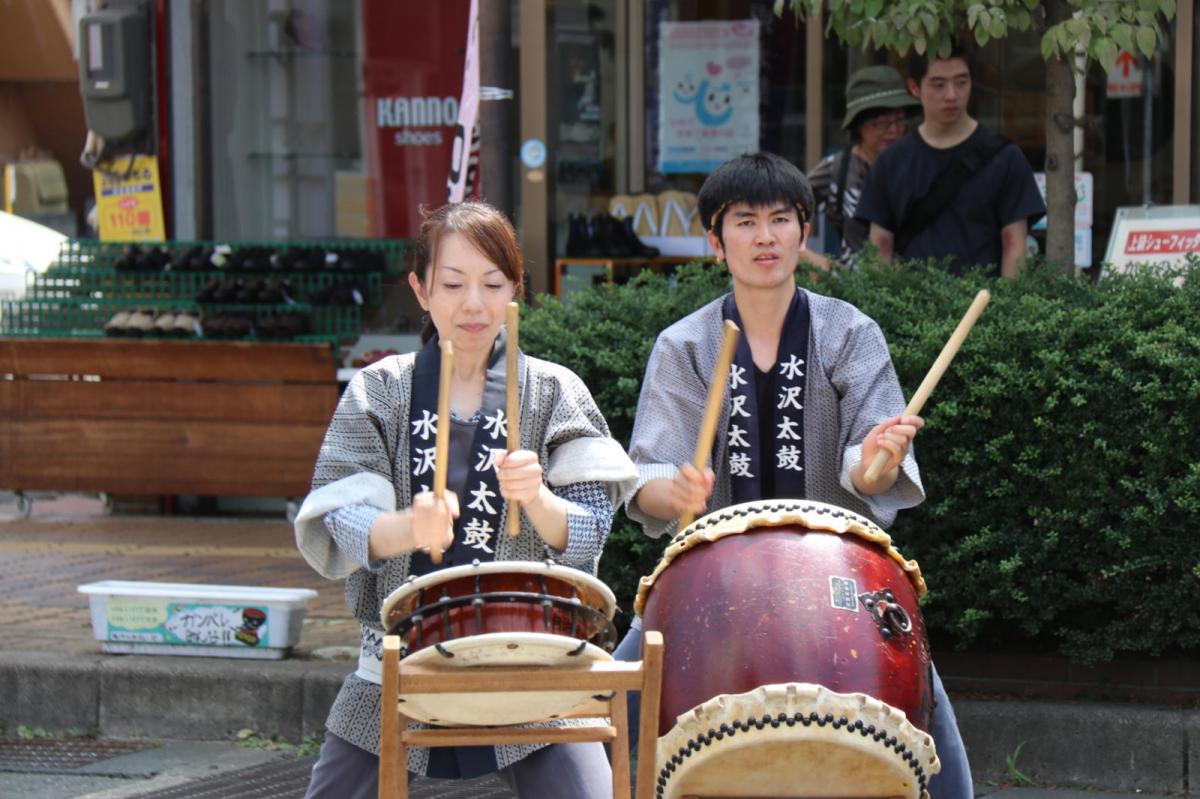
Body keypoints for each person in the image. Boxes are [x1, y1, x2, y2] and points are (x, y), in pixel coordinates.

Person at [613, 152, 974, 798]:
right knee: (604, 711)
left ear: (805, 234)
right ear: (714, 240)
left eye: (781, 219)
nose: (765, 237)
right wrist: (673, 489)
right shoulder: (685, 345)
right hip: (711, 584)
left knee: (925, 718)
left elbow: (871, 462)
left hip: (837, 583)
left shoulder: (847, 332)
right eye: (745, 221)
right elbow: (652, 473)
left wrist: (875, 462)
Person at [294, 201, 637, 799]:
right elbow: (344, 517)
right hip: (398, 665)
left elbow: (589, 530)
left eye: (493, 283)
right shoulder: (380, 389)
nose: (474, 304)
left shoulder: (555, 390)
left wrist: (539, 502)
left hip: (530, 660)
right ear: (421, 290)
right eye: (453, 284)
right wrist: (407, 528)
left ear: (516, 292)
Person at [855, 44, 1045, 278]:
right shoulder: (890, 163)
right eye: (938, 84)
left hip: (985, 307)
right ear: (914, 87)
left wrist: (1006, 308)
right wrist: (884, 307)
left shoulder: (1005, 157)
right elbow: (880, 248)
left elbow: (1015, 244)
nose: (951, 95)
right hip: (909, 307)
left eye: (961, 82)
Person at [804, 64, 921, 269]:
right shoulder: (838, 169)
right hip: (855, 289)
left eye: (900, 120)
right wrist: (814, 260)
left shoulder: (920, 164)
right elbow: (787, 207)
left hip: (917, 289)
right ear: (859, 126)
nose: (894, 130)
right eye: (882, 123)